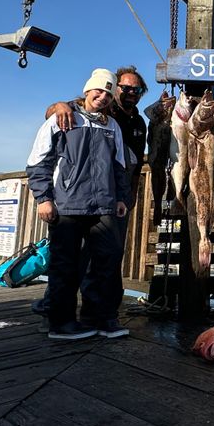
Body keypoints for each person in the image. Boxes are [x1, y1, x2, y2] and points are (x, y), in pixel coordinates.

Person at [33, 66, 149, 331]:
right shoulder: (70, 112)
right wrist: (43, 197)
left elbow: (121, 164)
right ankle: (58, 316)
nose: (129, 93)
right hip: (71, 201)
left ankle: (99, 316)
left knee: (107, 259)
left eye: (137, 89)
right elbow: (41, 156)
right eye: (125, 88)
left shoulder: (129, 123)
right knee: (68, 261)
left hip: (110, 201)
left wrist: (123, 197)